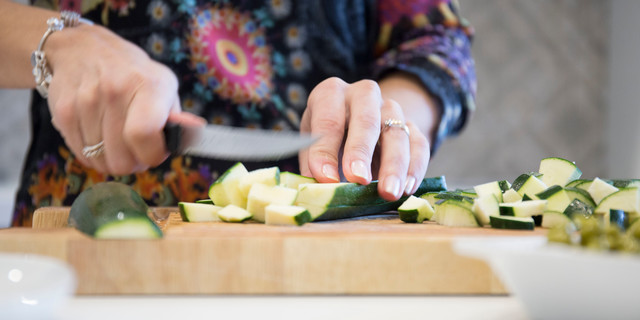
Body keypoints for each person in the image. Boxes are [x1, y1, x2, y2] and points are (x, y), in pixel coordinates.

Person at [0, 0, 476, 227]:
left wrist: (378, 120)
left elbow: (433, 41)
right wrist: (56, 41)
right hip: (85, 233)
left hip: (315, 245)